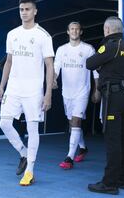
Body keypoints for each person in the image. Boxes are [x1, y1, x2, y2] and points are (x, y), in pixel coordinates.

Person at [0, 0, 54, 186]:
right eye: (21, 9)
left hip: (33, 90)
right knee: (4, 123)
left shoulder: (43, 36)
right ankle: (23, 153)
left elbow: (49, 65)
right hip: (13, 87)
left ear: (35, 11)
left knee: (32, 128)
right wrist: (1, 86)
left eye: (28, 9)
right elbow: (9, 62)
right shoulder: (12, 34)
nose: (24, 12)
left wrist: (48, 94)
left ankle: (29, 171)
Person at [86, 16, 124, 195]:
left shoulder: (111, 45)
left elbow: (90, 63)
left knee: (113, 139)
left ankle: (109, 183)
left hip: (113, 96)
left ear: (107, 30)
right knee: (123, 138)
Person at [53, 21, 100, 169]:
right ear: (67, 32)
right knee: (72, 122)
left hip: (82, 92)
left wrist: (96, 90)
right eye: (71, 29)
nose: (74, 31)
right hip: (66, 93)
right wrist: (53, 80)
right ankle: (83, 147)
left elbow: (95, 72)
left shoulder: (88, 49)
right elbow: (55, 68)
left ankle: (69, 158)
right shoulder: (61, 50)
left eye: (77, 29)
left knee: (76, 121)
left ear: (81, 32)